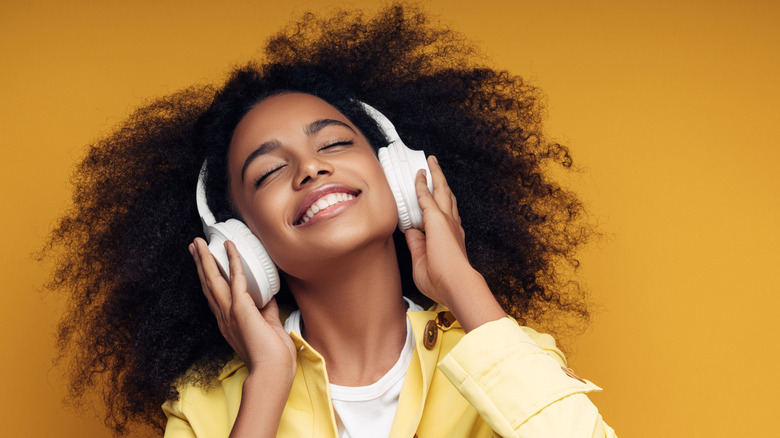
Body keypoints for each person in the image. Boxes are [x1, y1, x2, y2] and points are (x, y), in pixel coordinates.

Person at [45, 4, 615, 437]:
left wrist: (463, 284)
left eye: (337, 143)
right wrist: (267, 379)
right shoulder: (206, 407)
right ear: (240, 245)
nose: (311, 168)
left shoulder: (504, 352)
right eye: (268, 173)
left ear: (397, 175)